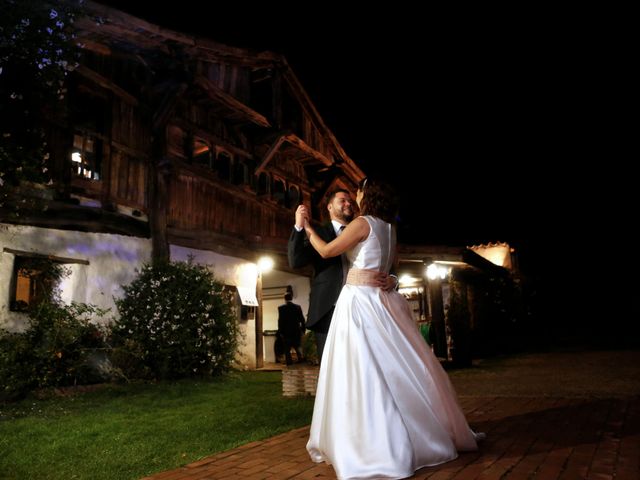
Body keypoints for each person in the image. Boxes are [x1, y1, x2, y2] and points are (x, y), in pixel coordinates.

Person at [303, 177, 484, 480]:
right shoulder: (390, 227)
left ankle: (377, 443)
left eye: (358, 191)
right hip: (384, 302)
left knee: (363, 369)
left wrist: (308, 229)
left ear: (367, 194)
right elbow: (390, 268)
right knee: (397, 367)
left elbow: (327, 252)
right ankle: (415, 430)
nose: (356, 195)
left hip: (359, 304)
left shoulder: (363, 223)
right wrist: (393, 280)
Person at [288, 189, 395, 362]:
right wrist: (300, 227)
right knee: (331, 365)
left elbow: (385, 262)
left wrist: (393, 279)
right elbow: (295, 261)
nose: (348, 203)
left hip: (363, 307)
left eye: (350, 201)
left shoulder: (364, 228)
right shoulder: (319, 234)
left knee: (364, 362)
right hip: (328, 309)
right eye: (342, 200)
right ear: (330, 207)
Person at [277, 292, 306, 365]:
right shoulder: (297, 307)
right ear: (292, 298)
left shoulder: (281, 308)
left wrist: (280, 332)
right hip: (296, 331)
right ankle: (301, 360)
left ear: (285, 299)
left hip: (286, 332)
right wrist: (303, 330)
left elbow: (280, 321)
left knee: (287, 349)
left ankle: (289, 363)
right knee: (297, 346)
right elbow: (302, 320)